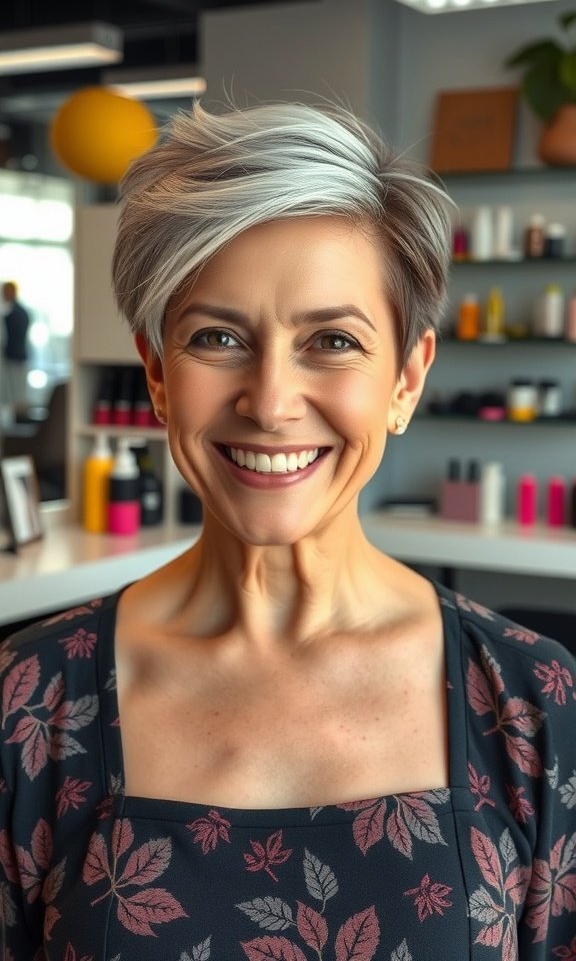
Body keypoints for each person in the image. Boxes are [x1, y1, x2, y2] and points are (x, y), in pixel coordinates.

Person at [0, 102, 574, 960]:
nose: (270, 404)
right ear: (156, 373)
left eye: (332, 341)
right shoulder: (28, 703)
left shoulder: (533, 705)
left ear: (406, 379)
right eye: (217, 337)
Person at [1, 280, 30, 416]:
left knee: (16, 391)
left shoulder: (16, 313)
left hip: (15, 356)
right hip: (16, 356)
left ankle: (19, 416)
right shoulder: (18, 311)